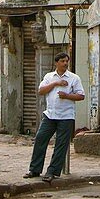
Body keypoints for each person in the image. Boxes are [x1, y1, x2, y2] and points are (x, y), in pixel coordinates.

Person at [24, 52, 85, 184]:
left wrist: (67, 96)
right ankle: (34, 169)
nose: (65, 63)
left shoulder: (74, 78)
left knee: (61, 145)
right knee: (40, 139)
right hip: (50, 115)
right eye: (62, 61)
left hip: (66, 116)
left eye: (66, 61)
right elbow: (41, 91)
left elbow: (81, 96)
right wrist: (55, 83)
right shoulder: (49, 76)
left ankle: (52, 171)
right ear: (56, 62)